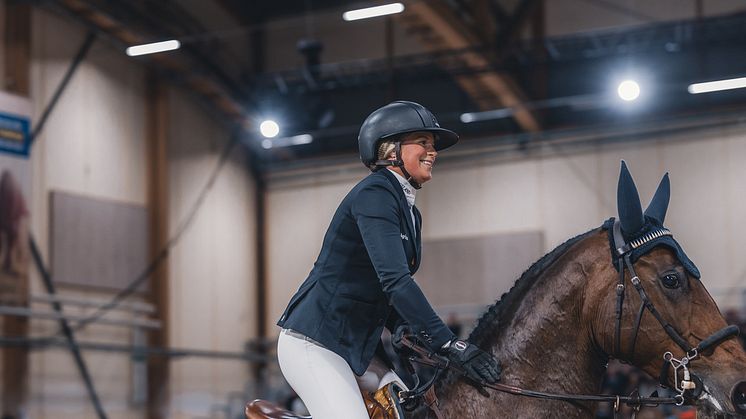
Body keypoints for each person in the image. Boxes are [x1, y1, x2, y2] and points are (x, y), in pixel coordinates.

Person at [276, 101, 501, 418]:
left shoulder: (410, 211)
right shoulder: (375, 194)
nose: (432, 152)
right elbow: (395, 281)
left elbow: (381, 289)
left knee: (405, 409)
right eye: (423, 142)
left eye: (433, 145)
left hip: (355, 347)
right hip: (314, 343)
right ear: (389, 149)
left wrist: (401, 326)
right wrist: (449, 344)